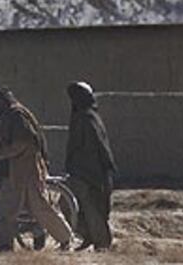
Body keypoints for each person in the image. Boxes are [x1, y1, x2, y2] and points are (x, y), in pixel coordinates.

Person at [0, 84, 73, 252]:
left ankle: (64, 239)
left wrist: (0, 154)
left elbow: (23, 143)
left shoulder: (16, 116)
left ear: (1, 101)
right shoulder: (3, 116)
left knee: (14, 212)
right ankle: (7, 247)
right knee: (25, 211)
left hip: (25, 172)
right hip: (15, 173)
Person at [64, 81, 117, 251]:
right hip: (79, 172)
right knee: (67, 204)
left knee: (92, 208)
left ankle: (101, 243)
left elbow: (100, 148)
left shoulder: (88, 119)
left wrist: (100, 173)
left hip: (91, 173)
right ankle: (88, 235)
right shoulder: (82, 117)